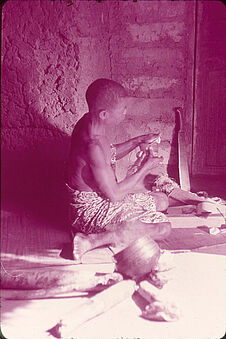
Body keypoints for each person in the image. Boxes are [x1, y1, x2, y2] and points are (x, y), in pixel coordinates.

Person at [64, 78, 208, 262]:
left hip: (103, 197)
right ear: (104, 114)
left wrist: (137, 141)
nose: (125, 112)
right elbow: (115, 195)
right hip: (91, 211)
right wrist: (146, 167)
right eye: (122, 108)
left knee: (162, 201)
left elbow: (109, 153)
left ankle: (124, 228)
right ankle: (90, 240)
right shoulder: (92, 144)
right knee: (163, 227)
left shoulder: (90, 123)